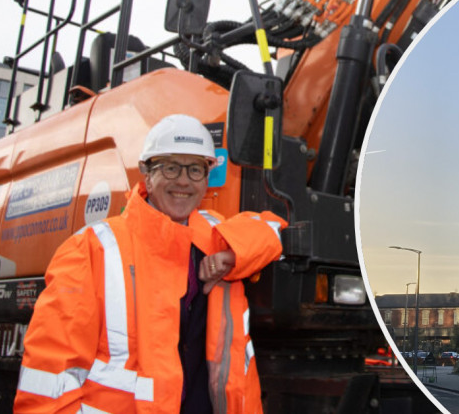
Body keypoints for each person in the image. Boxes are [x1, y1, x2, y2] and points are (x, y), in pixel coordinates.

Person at [14, 114, 286, 413]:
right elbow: (49, 382)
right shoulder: (91, 250)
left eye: (195, 169)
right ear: (147, 173)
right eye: (170, 167)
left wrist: (234, 255)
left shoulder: (213, 235)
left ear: (207, 179)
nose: (183, 180)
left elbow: (270, 229)